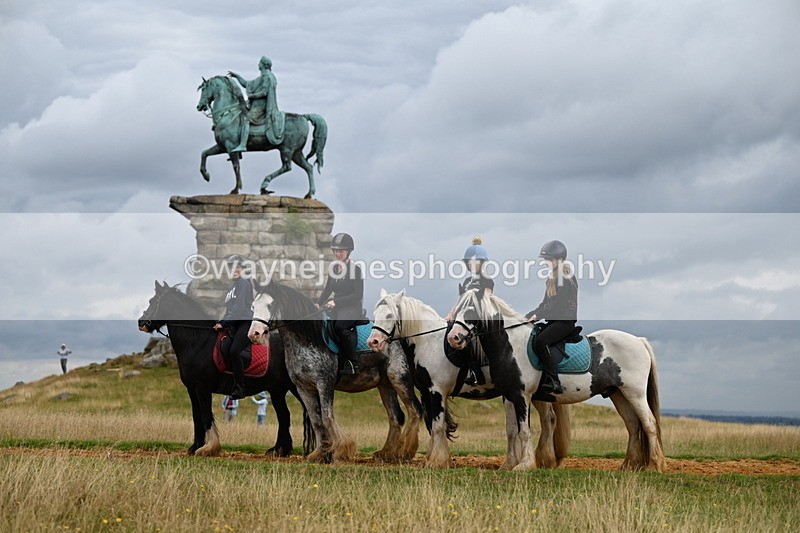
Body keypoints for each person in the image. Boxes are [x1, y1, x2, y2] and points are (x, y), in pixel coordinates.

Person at [524, 240, 579, 398]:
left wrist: (538, 315)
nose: (546, 263)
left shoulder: (565, 278)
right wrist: (530, 314)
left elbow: (558, 306)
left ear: (559, 260)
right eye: (545, 260)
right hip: (554, 320)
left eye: (549, 260)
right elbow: (545, 304)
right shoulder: (552, 278)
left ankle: (554, 381)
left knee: (541, 341)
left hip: (565, 321)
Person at [444, 237, 495, 386]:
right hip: (466, 317)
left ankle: (476, 374)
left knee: (468, 339)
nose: (472, 265)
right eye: (469, 262)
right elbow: (461, 302)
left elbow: (486, 299)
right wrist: (451, 314)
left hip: (480, 317)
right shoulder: (466, 282)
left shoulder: (487, 280)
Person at [317, 232, 364, 375]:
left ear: (348, 252)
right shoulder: (333, 269)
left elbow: (357, 295)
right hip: (335, 306)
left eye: (341, 251)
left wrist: (336, 302)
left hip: (351, 308)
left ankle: (351, 362)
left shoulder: (355, 270)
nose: (338, 254)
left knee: (339, 327)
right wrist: (318, 303)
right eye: (336, 251)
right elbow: (327, 289)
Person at [213, 255, 254, 399]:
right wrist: (220, 322)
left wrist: (224, 323)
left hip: (245, 321)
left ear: (243, 269)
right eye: (231, 267)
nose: (235, 269)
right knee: (224, 347)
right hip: (234, 324)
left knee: (235, 350)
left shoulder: (244, 283)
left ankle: (240, 387)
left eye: (238, 267)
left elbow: (239, 309)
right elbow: (229, 310)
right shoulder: (231, 288)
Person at [228, 56, 285, 151]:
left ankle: (243, 145)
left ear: (263, 65)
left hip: (261, 107)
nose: (258, 64)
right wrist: (237, 76)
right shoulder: (262, 76)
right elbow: (246, 84)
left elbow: (264, 92)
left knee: (245, 119)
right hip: (256, 106)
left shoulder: (267, 76)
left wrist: (252, 96)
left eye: (260, 63)